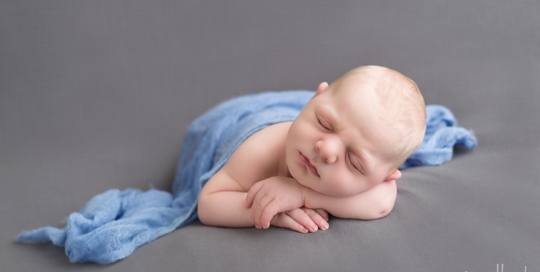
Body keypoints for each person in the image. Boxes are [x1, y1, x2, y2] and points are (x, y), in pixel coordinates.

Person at [197, 65, 427, 233]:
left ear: (384, 177)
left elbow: (381, 203)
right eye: (325, 124)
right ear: (313, 99)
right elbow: (208, 203)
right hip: (244, 122)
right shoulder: (260, 149)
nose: (326, 150)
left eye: (354, 161)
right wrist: (268, 211)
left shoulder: (379, 181)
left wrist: (301, 194)